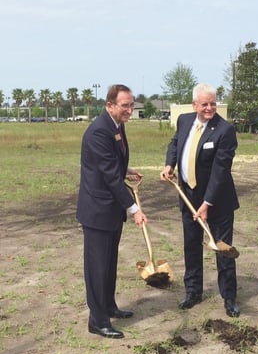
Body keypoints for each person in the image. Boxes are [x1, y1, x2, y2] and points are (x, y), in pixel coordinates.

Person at [160, 83, 240, 317]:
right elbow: (175, 143)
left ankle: (229, 298)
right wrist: (169, 164)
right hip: (188, 198)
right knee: (191, 247)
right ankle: (193, 292)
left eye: (213, 103)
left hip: (217, 202)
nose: (209, 108)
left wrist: (207, 204)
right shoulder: (185, 121)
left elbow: (220, 171)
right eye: (204, 104)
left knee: (223, 250)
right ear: (194, 105)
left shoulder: (225, 131)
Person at [76, 84, 147, 339]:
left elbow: (112, 164)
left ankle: (108, 306)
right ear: (109, 105)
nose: (129, 110)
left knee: (109, 263)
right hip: (97, 210)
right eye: (124, 105)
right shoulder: (98, 132)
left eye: (131, 104)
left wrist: (126, 169)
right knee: (97, 267)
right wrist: (134, 208)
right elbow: (109, 177)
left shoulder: (117, 125)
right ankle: (97, 321)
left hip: (110, 210)